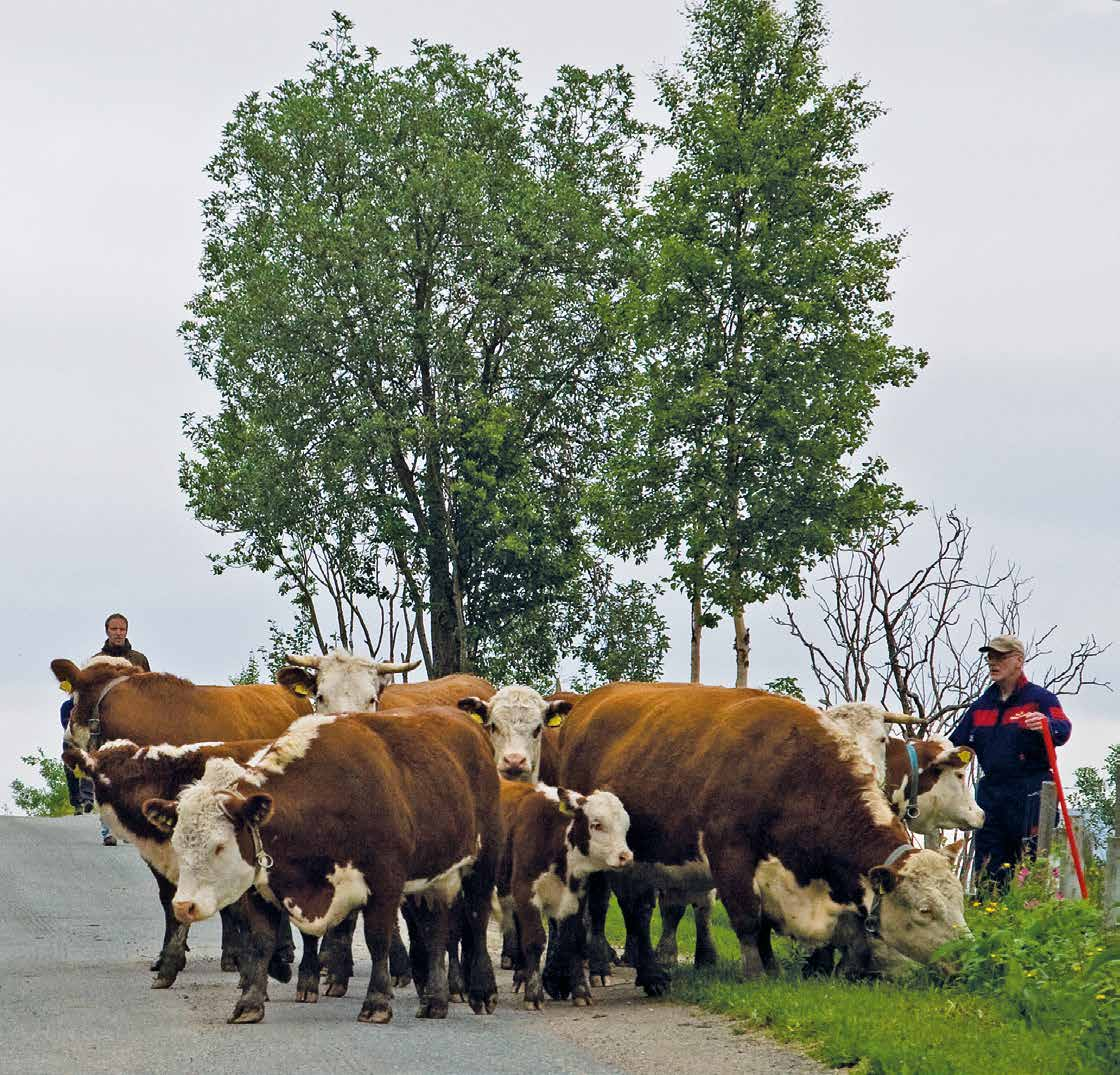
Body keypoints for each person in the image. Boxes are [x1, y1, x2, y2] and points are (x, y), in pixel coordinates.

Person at [949, 634, 1071, 889]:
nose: (993, 662)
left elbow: (1063, 729)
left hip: (1032, 792)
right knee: (988, 868)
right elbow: (954, 746)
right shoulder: (981, 706)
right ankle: (987, 917)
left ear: (1018, 660)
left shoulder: (1040, 699)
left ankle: (1033, 918)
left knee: (1033, 866)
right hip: (991, 794)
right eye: (990, 657)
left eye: (1001, 657)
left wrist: (1046, 725)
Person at [60, 612, 152, 845]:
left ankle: (131, 827)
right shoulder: (97, 660)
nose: (118, 633)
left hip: (136, 724)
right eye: (114, 629)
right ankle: (106, 830)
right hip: (104, 724)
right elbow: (86, 694)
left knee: (134, 776)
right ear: (107, 631)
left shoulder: (138, 659)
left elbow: (150, 691)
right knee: (106, 776)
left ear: (127, 631)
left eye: (122, 629)